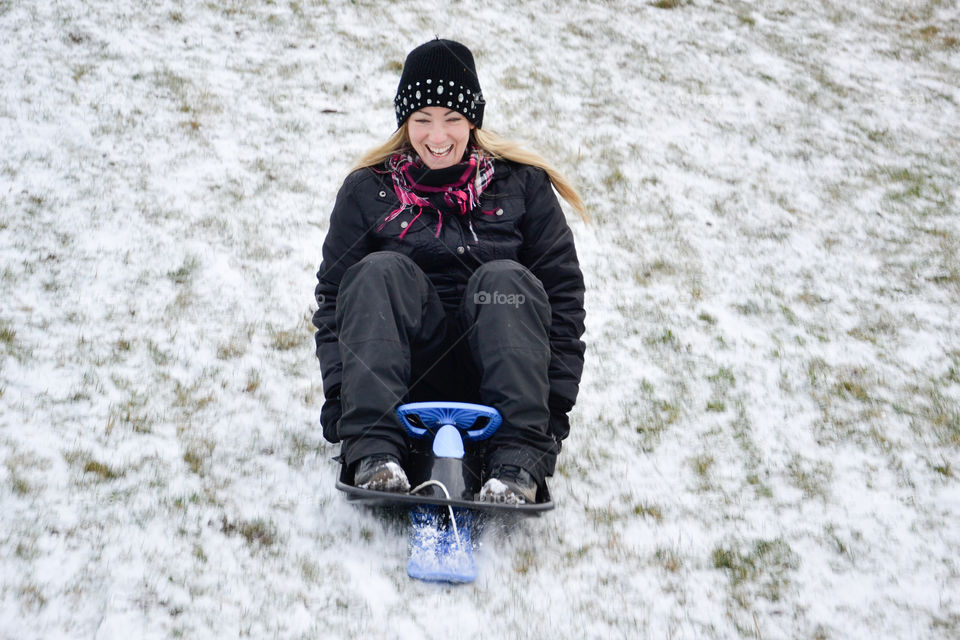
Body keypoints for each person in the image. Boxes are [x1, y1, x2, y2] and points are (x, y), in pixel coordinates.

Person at [312, 38, 586, 504]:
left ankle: (516, 462)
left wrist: (549, 423)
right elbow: (335, 305)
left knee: (504, 281)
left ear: (473, 121)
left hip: (501, 375)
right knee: (378, 271)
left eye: (452, 119)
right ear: (405, 122)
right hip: (401, 378)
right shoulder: (366, 191)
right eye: (422, 120)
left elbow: (563, 301)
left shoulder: (524, 186)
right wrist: (346, 413)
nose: (437, 137)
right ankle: (376, 453)